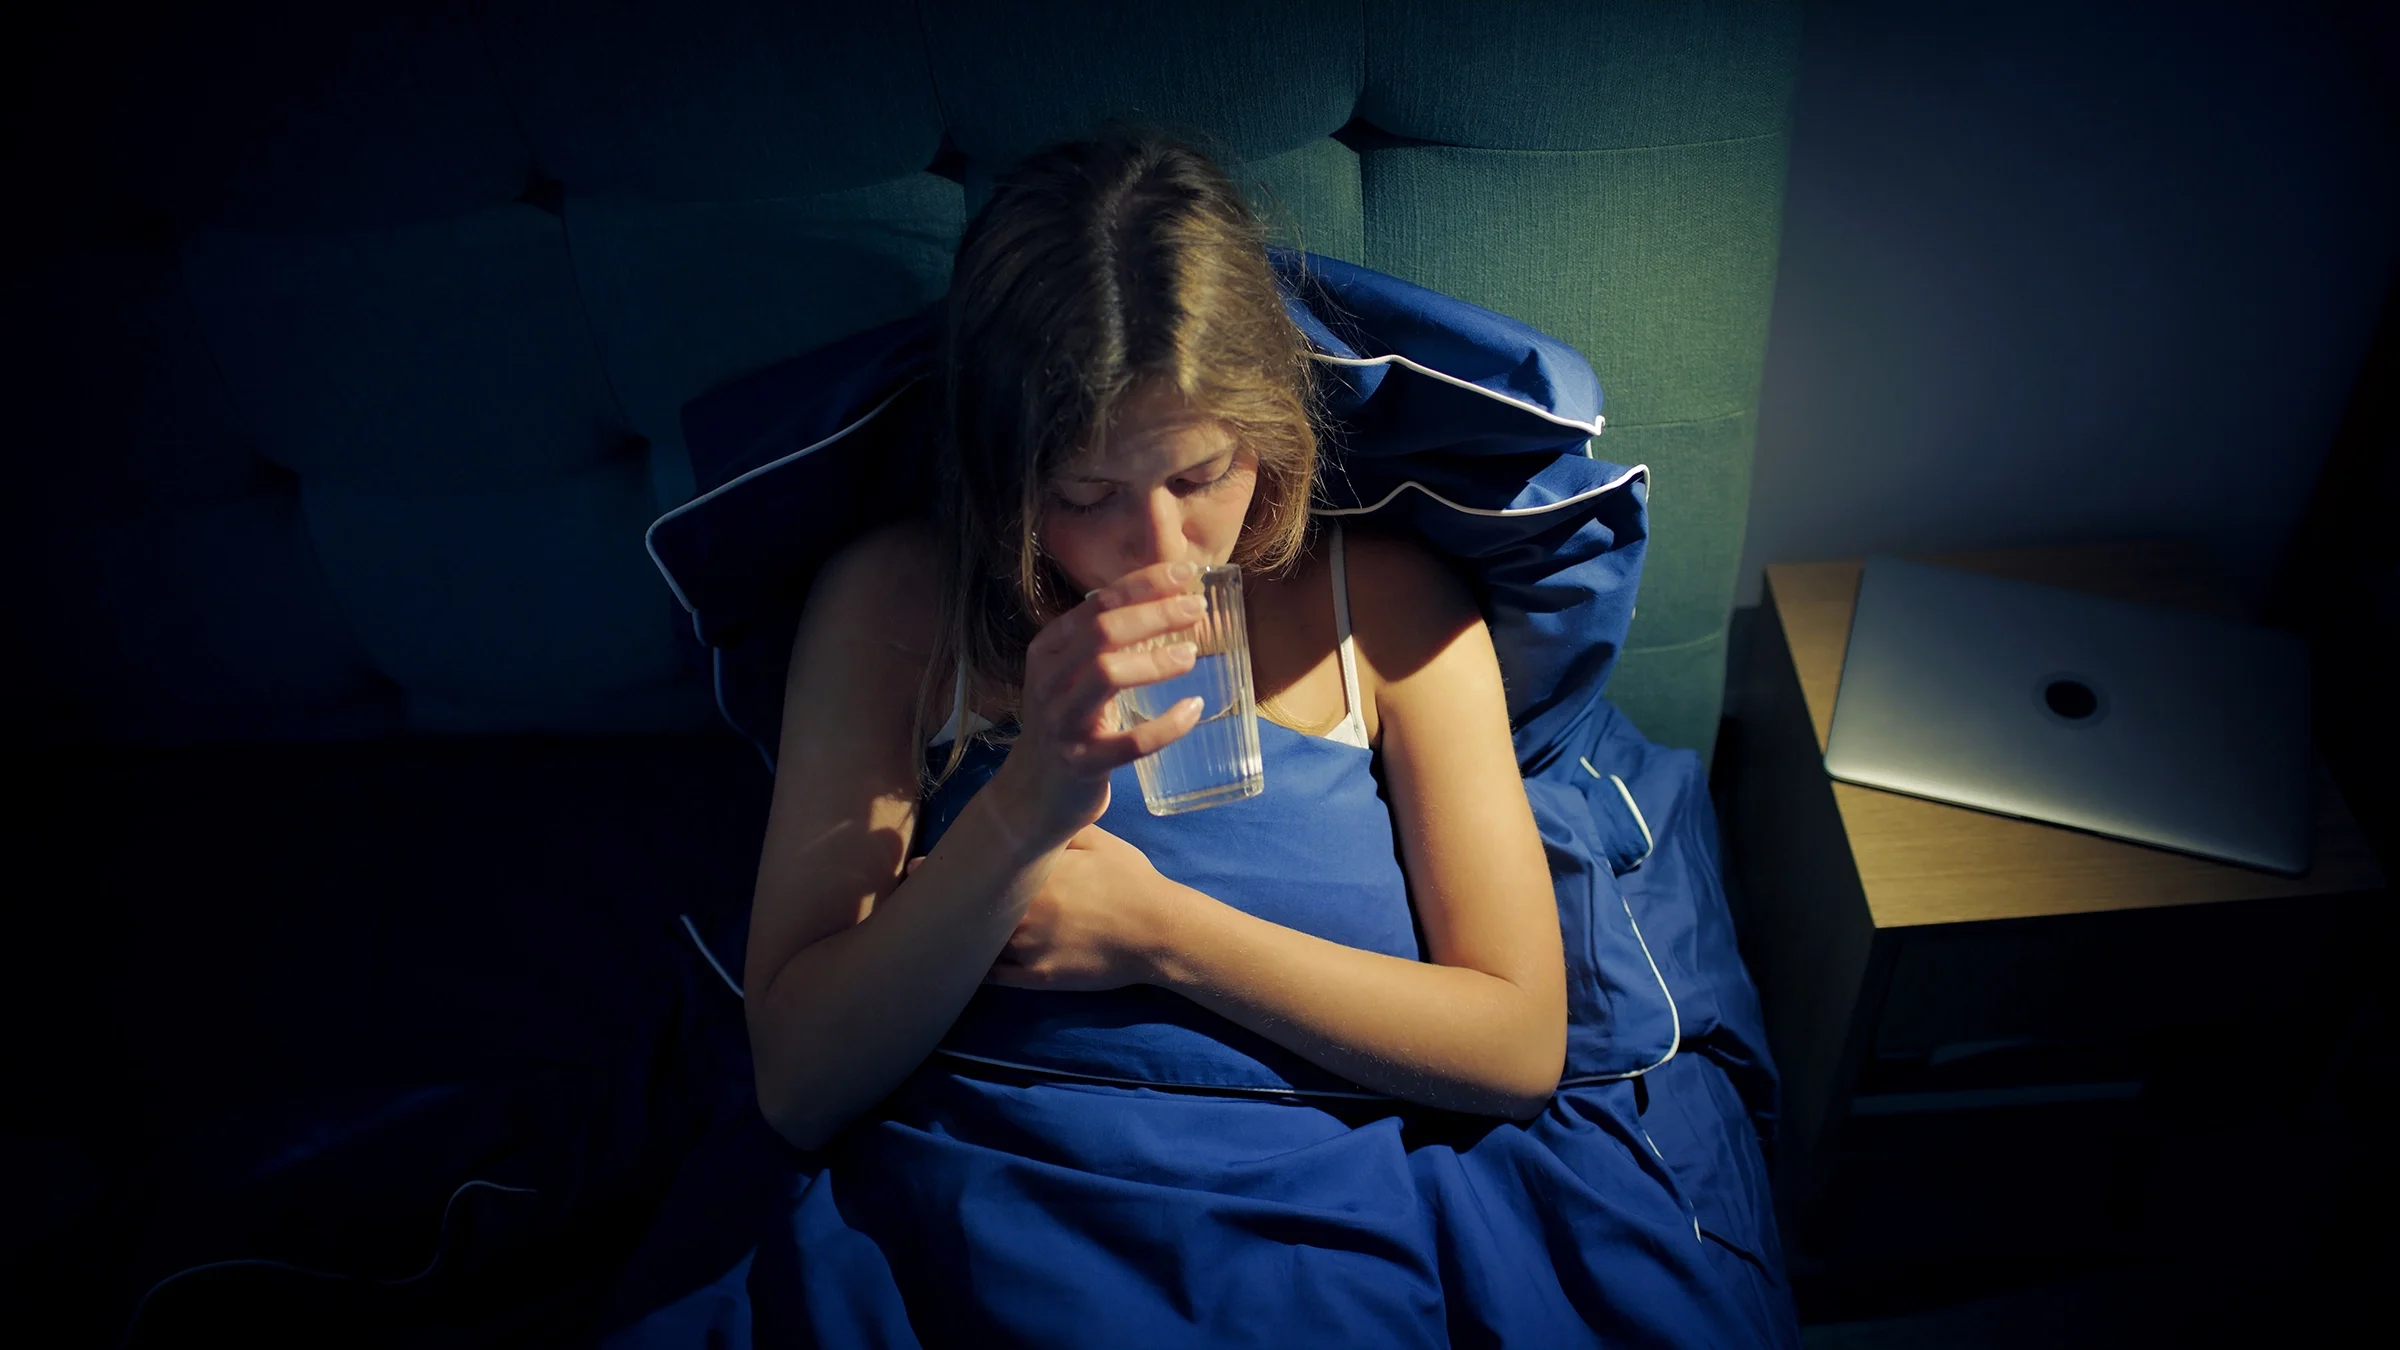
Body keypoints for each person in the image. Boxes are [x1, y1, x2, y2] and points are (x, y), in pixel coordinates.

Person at [701, 129, 1790, 1348]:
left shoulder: (1382, 603)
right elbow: (798, 1087)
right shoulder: (902, 605)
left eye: (1199, 477)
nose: (1160, 550)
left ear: (1266, 435)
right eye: (1084, 496)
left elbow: (1519, 1042)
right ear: (1004, 473)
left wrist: (1161, 935)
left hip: (1304, 1207)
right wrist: (1021, 813)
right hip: (982, 1191)